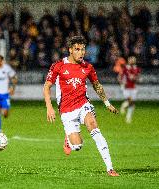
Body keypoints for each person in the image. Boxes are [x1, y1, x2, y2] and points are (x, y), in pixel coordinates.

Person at [43, 36, 119, 177]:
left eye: (83, 49)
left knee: (93, 125)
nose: (81, 52)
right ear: (70, 50)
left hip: (83, 103)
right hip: (66, 110)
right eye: (77, 49)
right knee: (77, 146)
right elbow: (47, 87)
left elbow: (97, 86)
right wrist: (49, 107)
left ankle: (110, 168)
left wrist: (107, 103)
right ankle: (68, 138)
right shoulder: (58, 66)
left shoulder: (88, 67)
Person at [119, 56, 141, 123]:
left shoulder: (137, 68)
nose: (132, 61)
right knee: (130, 100)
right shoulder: (125, 68)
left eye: (133, 60)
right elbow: (120, 76)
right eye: (131, 60)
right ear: (128, 61)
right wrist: (122, 82)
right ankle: (123, 106)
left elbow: (138, 78)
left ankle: (128, 117)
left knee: (132, 104)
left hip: (133, 87)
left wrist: (135, 78)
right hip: (126, 87)